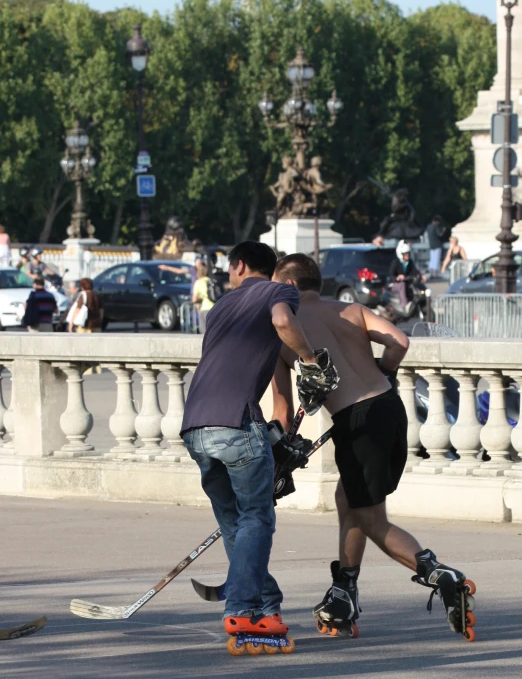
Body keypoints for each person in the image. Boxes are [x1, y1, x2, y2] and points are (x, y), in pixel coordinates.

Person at [271, 253, 476, 641]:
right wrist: (381, 371)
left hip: (357, 420)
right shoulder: (350, 309)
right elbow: (399, 341)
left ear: (289, 288)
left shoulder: (283, 329)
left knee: (372, 519)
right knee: (348, 497)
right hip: (389, 406)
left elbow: (282, 410)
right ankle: (344, 590)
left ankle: (440, 574)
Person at [181, 240, 339, 645]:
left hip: (196, 426)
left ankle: (265, 603)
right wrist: (310, 360)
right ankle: (242, 611)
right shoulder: (278, 289)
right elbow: (284, 322)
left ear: (238, 266)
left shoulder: (219, 309)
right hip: (236, 422)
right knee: (256, 518)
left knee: (235, 522)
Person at [388, 240, 426, 313]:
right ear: (400, 254)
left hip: (407, 283)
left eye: (408, 254)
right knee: (402, 285)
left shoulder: (410, 262)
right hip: (394, 284)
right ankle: (404, 305)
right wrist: (397, 278)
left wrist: (421, 276)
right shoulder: (395, 262)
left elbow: (415, 271)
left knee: (416, 285)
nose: (407, 256)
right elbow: (391, 274)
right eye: (405, 254)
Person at [191, 259, 214, 332]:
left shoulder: (198, 282)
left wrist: (199, 300)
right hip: (214, 307)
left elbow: (194, 299)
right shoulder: (210, 280)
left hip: (204, 308)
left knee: (204, 333)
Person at [426, 215, 446, 280]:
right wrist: (443, 230)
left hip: (431, 245)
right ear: (436, 221)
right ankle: (435, 274)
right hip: (437, 245)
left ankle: (431, 274)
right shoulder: (435, 227)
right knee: (436, 260)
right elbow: (439, 234)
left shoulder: (428, 227)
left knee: (432, 260)